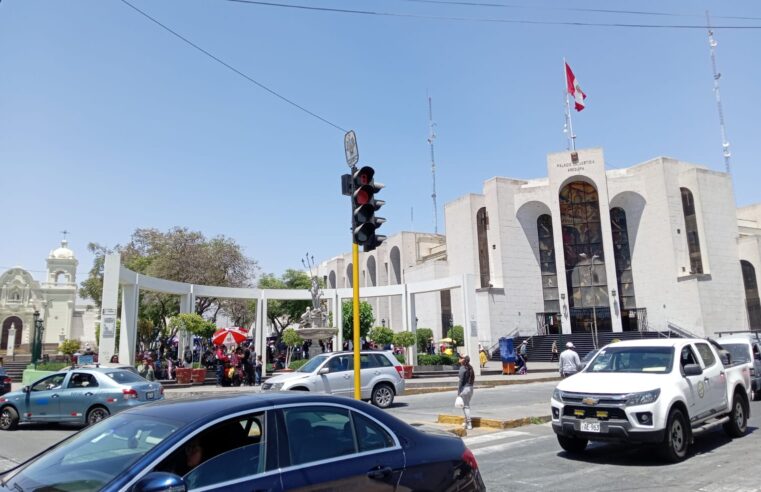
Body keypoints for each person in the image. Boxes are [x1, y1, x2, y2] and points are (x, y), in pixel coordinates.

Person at [457, 354, 475, 430]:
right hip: (470, 388)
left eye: (460, 358)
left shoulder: (462, 368)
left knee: (465, 407)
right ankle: (466, 422)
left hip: (465, 389)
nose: (459, 358)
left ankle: (469, 423)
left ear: (463, 360)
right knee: (465, 405)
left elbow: (460, 381)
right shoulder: (470, 368)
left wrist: (458, 392)